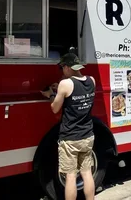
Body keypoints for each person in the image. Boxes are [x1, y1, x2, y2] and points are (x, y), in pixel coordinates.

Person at [41, 53, 96, 200]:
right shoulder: (92, 80)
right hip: (88, 135)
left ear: (67, 67)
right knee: (87, 173)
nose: (62, 71)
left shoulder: (65, 84)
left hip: (71, 138)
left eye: (62, 68)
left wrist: (51, 94)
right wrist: (60, 88)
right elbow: (77, 90)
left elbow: (55, 108)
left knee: (70, 176)